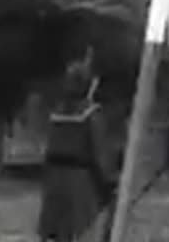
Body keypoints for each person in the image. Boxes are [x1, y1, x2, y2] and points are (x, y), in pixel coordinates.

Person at [37, 55, 117, 242]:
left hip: (54, 181)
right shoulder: (90, 113)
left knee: (59, 232)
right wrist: (109, 182)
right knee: (90, 227)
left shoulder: (56, 112)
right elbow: (100, 153)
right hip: (80, 181)